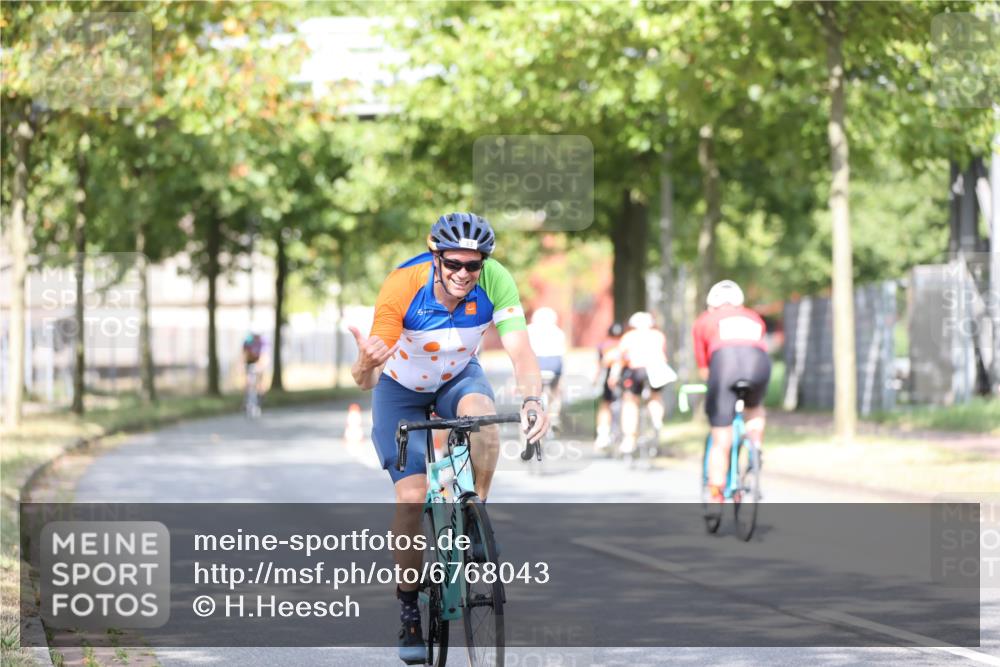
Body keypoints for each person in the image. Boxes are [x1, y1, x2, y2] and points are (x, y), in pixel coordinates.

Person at [348, 212, 550, 664]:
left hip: (457, 378)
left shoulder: (495, 280)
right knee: (411, 498)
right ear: (435, 258)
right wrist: (365, 362)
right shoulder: (403, 285)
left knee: (485, 422)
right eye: (453, 264)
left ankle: (474, 514)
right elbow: (365, 380)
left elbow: (521, 350)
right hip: (400, 390)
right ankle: (408, 609)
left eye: (472, 265)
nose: (463, 274)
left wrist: (534, 399)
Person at [692, 280, 771, 508]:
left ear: (711, 305)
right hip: (758, 363)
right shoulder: (754, 316)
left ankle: (716, 494)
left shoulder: (704, 321)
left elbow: (704, 368)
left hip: (724, 364)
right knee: (754, 407)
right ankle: (755, 445)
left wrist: (717, 393)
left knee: (721, 438)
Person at [609, 311, 673, 456]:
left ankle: (629, 439)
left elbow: (619, 359)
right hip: (658, 370)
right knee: (655, 397)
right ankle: (657, 421)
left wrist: (613, 376)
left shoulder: (629, 337)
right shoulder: (658, 335)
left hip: (638, 370)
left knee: (630, 401)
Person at [526, 306, 567, 430]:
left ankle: (531, 414)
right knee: (556, 391)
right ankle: (554, 415)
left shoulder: (528, 330)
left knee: (530, 392)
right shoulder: (558, 332)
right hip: (554, 364)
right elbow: (563, 356)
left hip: (536, 364)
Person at [593, 322, 624, 453]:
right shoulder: (625, 343)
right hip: (624, 377)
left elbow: (599, 365)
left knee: (605, 404)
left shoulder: (604, 345)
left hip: (611, 377)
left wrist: (595, 378)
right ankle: (609, 433)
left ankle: (603, 433)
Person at [241, 331, 265, 417]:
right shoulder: (248, 341)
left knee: (259, 384)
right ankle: (246, 402)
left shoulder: (262, 342)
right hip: (249, 363)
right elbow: (245, 353)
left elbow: (264, 355)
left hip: (258, 364)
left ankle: (260, 401)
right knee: (248, 382)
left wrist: (260, 365)